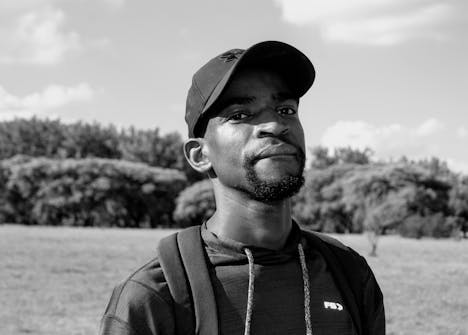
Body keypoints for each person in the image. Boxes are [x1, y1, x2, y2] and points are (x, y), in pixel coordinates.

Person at [100, 40, 385, 335]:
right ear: (199, 155)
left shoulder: (350, 275)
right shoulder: (153, 297)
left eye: (286, 109)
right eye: (240, 115)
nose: (274, 125)